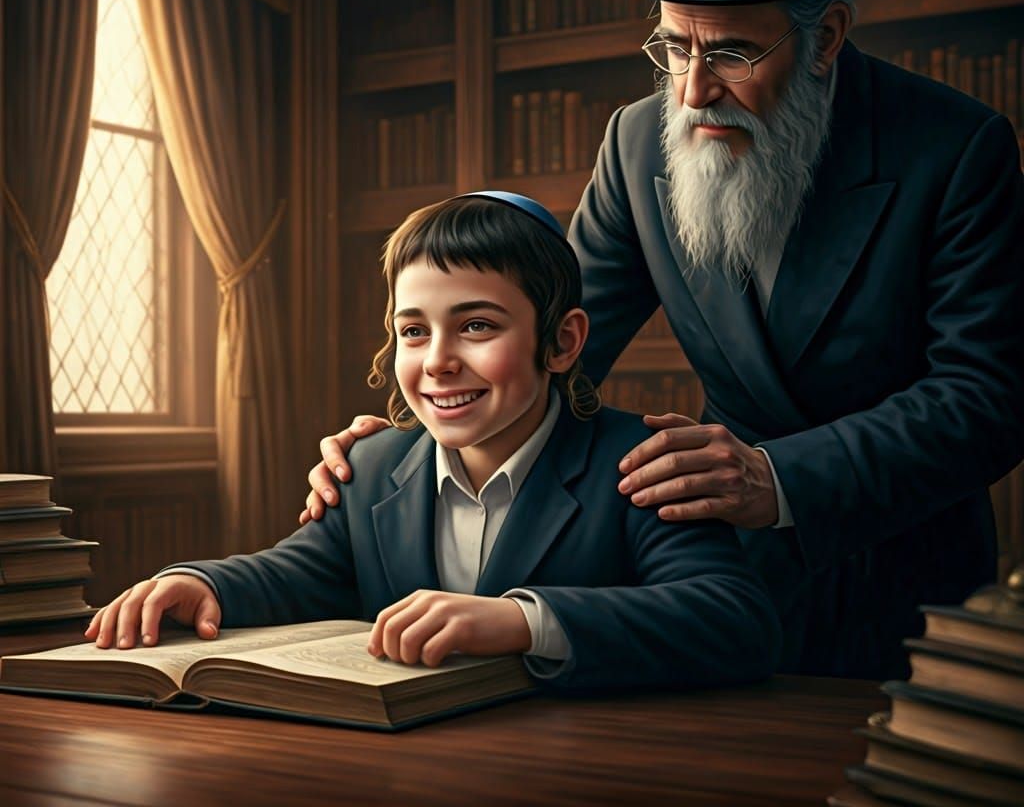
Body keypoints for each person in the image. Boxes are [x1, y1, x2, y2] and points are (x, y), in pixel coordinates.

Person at [304, 0, 1024, 680]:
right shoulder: (638, 139)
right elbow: (554, 341)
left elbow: (989, 397)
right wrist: (405, 441)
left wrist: (777, 477)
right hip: (711, 570)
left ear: (825, 38)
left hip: (899, 574)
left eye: (728, 51)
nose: (691, 90)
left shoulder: (955, 146)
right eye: (672, 46)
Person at [85, 192, 780, 693]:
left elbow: (735, 619)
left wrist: (522, 622)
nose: (438, 361)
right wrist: (198, 581)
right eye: (413, 332)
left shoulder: (638, 465)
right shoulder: (371, 462)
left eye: (477, 327)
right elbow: (299, 571)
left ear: (562, 342)